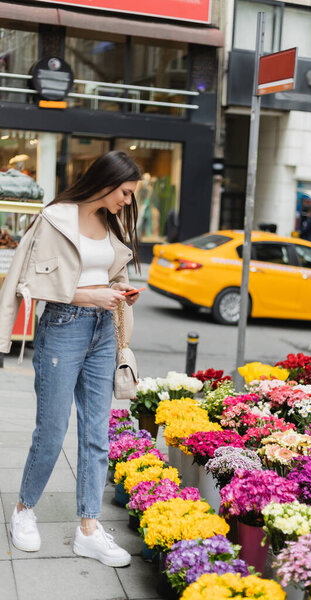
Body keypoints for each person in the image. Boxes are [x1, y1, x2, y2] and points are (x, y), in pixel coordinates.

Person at [0, 151, 143, 568]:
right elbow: (30, 281)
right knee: (52, 427)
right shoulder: (55, 219)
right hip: (62, 328)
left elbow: (110, 273)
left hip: (102, 331)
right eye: (126, 193)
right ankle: (24, 510)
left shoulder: (110, 221)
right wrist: (87, 295)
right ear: (106, 181)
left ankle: (89, 529)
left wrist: (118, 291)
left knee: (98, 431)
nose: (128, 202)